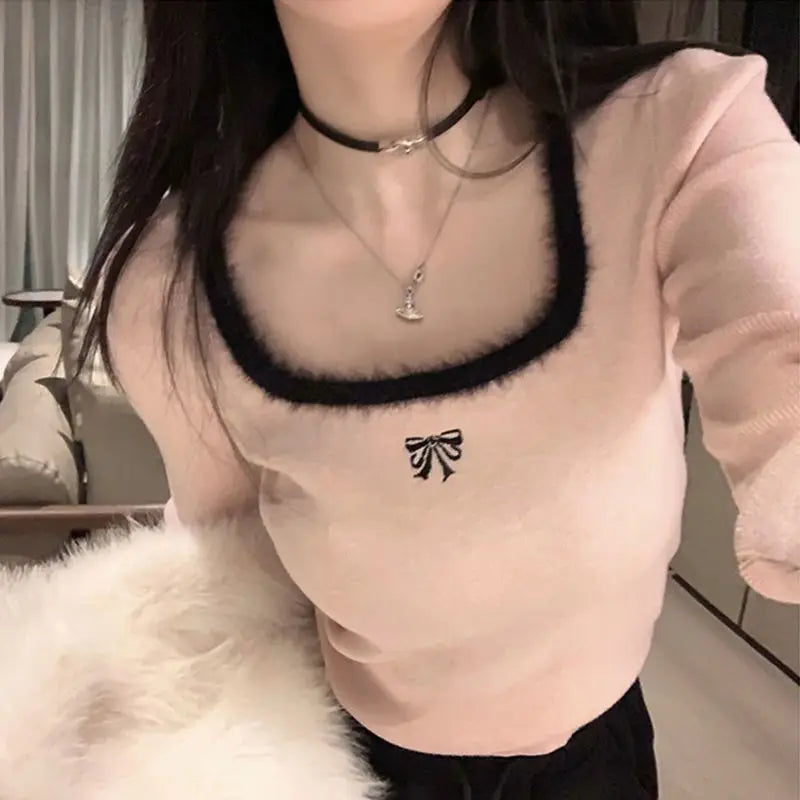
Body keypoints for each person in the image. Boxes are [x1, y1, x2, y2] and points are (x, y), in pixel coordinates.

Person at [74, 1, 800, 798]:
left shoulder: (682, 129)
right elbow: (236, 581)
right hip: (342, 766)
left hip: (598, 766)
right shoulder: (172, 291)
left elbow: (778, 343)